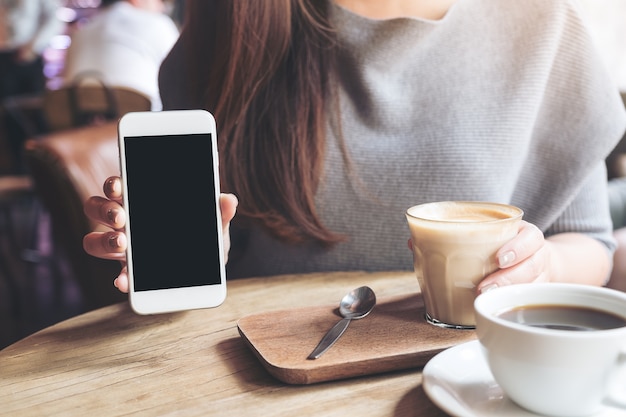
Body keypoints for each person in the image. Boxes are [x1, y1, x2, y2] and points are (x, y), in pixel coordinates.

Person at [83, 0, 626, 294]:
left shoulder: (545, 23)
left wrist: (541, 267)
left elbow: (590, 243)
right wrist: (197, 257)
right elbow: (216, 254)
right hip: (266, 372)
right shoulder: (232, 22)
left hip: (467, 374)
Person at [62, 0, 179, 111]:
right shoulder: (158, 24)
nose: (162, 7)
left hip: (77, 128)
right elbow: (182, 82)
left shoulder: (81, 31)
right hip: (140, 127)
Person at [0, 0, 65, 171]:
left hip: (29, 57)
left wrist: (32, 47)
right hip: (3, 57)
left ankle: (45, 172)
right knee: (8, 119)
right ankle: (18, 171)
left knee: (36, 117)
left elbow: (53, 19)